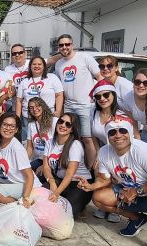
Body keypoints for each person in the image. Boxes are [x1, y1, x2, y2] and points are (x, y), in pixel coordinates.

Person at [78, 115, 147, 246]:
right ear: (108, 136)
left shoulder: (143, 150)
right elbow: (104, 179)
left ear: (129, 133)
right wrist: (90, 186)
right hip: (129, 192)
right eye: (112, 132)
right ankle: (138, 219)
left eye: (122, 130)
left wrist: (137, 191)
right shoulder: (104, 151)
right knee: (98, 197)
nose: (118, 135)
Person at [54, 34, 102, 168]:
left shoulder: (85, 58)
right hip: (69, 106)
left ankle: (89, 171)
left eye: (67, 44)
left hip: (86, 105)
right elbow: (60, 88)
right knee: (71, 139)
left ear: (72, 45)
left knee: (87, 139)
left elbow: (99, 77)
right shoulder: (59, 64)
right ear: (58, 47)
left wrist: (98, 96)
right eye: (61, 45)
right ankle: (72, 168)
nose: (64, 47)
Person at [90, 80, 128, 223]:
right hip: (103, 151)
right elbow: (93, 136)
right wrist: (97, 155)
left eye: (106, 95)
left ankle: (115, 207)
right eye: (98, 97)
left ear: (113, 95)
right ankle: (104, 206)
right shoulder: (93, 112)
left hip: (119, 152)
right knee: (100, 174)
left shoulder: (121, 113)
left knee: (116, 179)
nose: (102, 99)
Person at [42, 113, 93, 218]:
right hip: (59, 180)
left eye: (68, 124)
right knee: (41, 199)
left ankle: (81, 206)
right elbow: (46, 167)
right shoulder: (49, 142)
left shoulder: (75, 145)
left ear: (72, 129)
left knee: (65, 214)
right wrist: (51, 182)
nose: (63, 125)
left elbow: (70, 174)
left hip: (79, 184)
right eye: (61, 121)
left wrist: (56, 194)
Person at [0, 112, 40, 208]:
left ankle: (19, 207)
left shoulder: (17, 148)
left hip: (26, 185)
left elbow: (29, 176)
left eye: (12, 126)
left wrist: (25, 198)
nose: (8, 128)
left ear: (16, 130)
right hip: (9, 183)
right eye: (5, 124)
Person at [16, 55, 63, 140]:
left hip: (48, 117)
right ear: (30, 66)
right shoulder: (24, 82)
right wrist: (17, 117)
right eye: (34, 64)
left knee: (48, 140)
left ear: (44, 66)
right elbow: (19, 101)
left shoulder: (52, 77)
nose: (36, 66)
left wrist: (58, 111)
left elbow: (59, 95)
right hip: (29, 118)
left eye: (39, 64)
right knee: (30, 141)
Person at [25, 97, 58, 179]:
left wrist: (44, 165)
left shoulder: (54, 121)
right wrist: (24, 163)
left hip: (53, 159)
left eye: (37, 106)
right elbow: (30, 147)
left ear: (43, 106)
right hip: (39, 159)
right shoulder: (31, 125)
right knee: (23, 173)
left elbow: (58, 146)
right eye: (31, 108)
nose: (34, 109)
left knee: (39, 176)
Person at [4, 44, 29, 112]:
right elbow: (9, 88)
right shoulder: (7, 69)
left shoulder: (33, 64)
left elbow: (51, 60)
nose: (17, 55)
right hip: (16, 107)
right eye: (14, 53)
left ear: (25, 53)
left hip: (32, 107)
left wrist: (61, 51)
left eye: (20, 52)